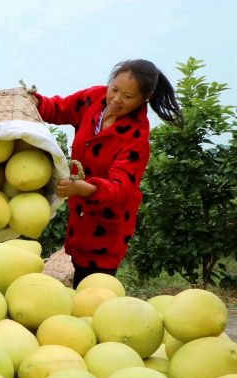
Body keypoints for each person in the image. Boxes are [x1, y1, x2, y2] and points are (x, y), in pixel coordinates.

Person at [32, 59, 183, 286]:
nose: (116, 99)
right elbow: (59, 108)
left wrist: (85, 188)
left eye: (128, 97)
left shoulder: (136, 138)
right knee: (79, 276)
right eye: (114, 89)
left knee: (94, 287)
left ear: (146, 98)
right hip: (80, 219)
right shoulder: (93, 98)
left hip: (107, 227)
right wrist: (35, 101)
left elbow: (121, 187)